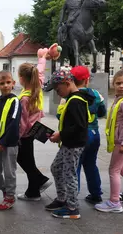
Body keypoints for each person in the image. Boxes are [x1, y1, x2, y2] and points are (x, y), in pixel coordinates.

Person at [46, 69, 93, 219]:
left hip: (73, 145)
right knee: (56, 168)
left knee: (69, 175)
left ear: (67, 83)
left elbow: (79, 126)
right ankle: (62, 199)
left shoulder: (76, 101)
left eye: (57, 89)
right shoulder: (73, 98)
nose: (56, 92)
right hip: (69, 143)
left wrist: (60, 135)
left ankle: (72, 208)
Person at [17, 56, 52, 201]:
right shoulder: (37, 88)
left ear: (21, 78)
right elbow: (41, 74)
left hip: (25, 133)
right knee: (28, 160)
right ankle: (35, 188)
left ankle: (37, 184)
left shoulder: (25, 98)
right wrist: (42, 59)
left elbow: (22, 122)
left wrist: (17, 137)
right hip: (35, 130)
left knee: (23, 159)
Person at [69, 66, 106, 204]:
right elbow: (102, 112)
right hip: (95, 134)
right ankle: (96, 194)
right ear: (87, 80)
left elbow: (62, 114)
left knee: (75, 166)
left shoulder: (71, 96)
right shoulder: (96, 94)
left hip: (80, 135)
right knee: (91, 164)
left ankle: (73, 197)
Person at [0, 71, 21, 210]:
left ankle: (10, 196)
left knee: (9, 171)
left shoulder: (15, 101)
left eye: (8, 82)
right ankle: (5, 190)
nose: (6, 86)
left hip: (9, 143)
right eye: (2, 83)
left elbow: (14, 123)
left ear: (13, 83)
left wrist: (4, 141)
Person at [95, 70, 123, 213]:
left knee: (114, 170)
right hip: (118, 141)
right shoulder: (119, 99)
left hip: (121, 143)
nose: (121, 86)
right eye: (118, 83)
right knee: (121, 170)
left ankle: (114, 202)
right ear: (113, 84)